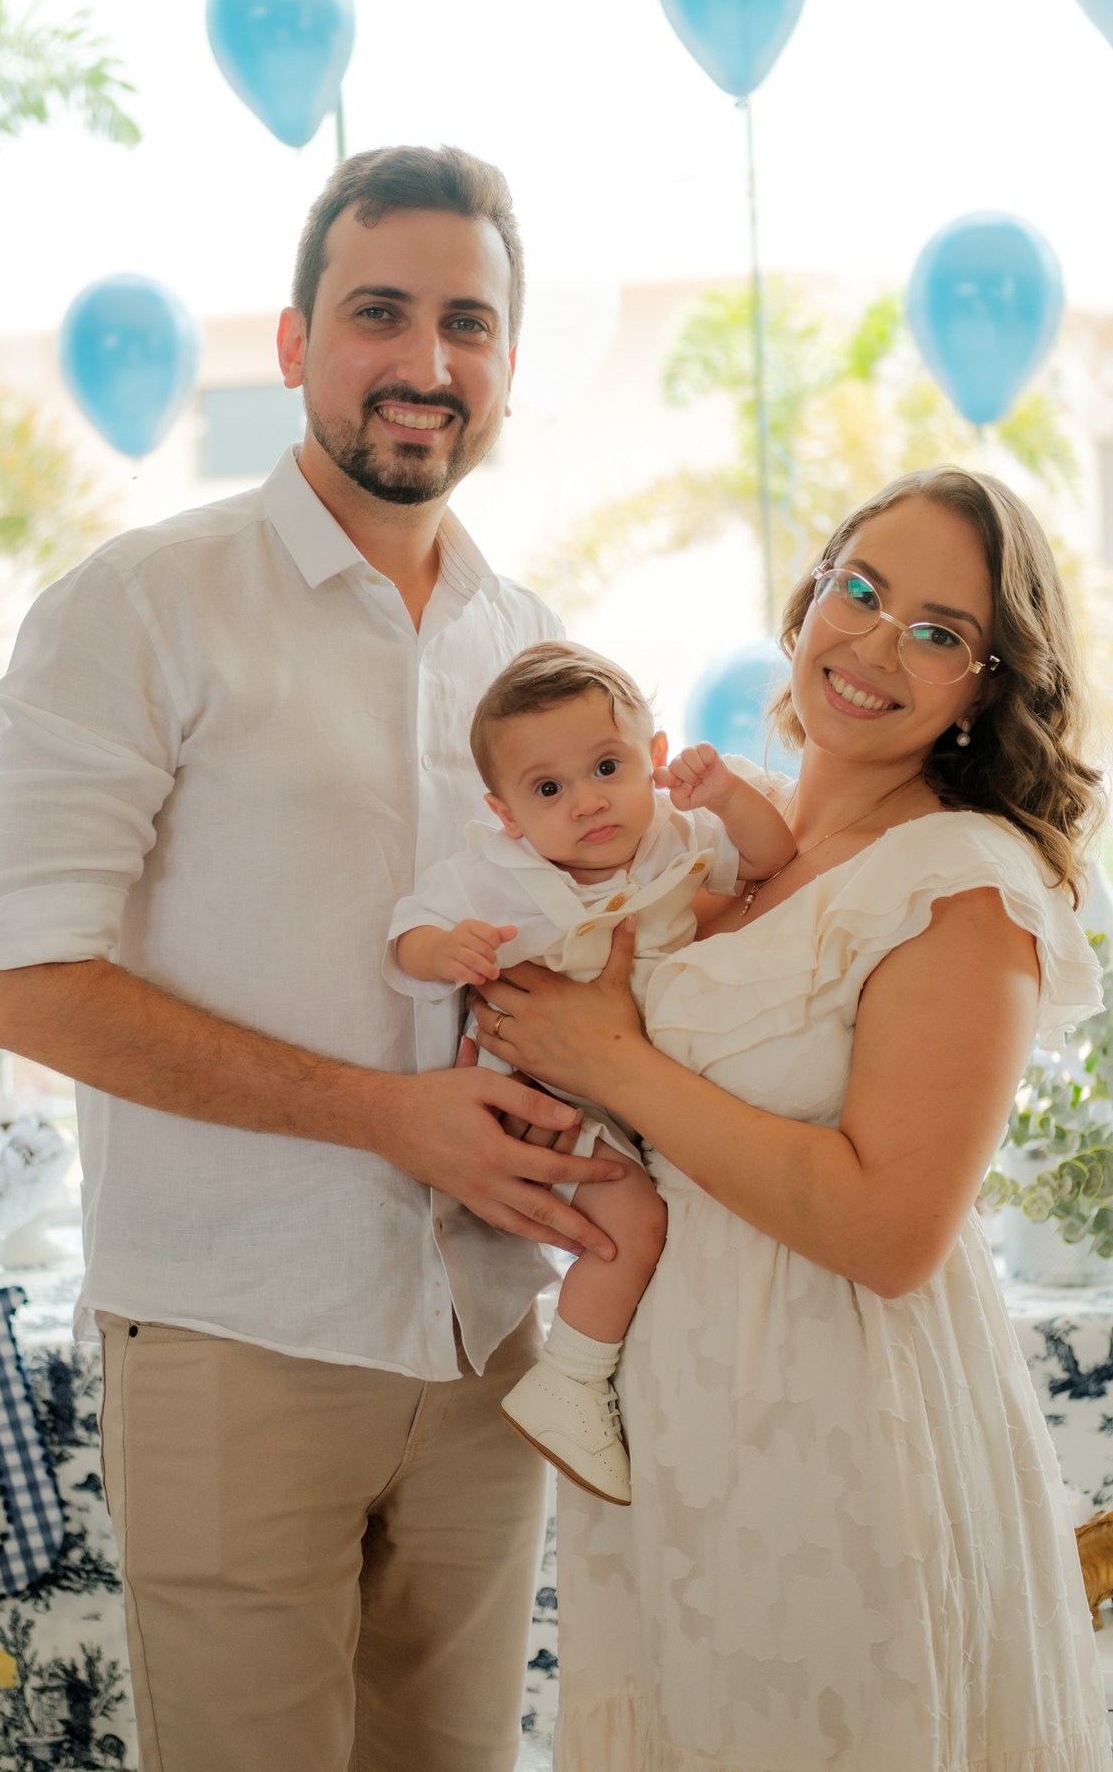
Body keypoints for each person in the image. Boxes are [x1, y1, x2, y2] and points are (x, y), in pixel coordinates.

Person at [0, 146, 627, 1772]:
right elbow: (19, 981)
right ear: (293, 340)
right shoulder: (139, 605)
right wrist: (388, 1118)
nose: (425, 360)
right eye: (379, 312)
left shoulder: (526, 642)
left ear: (507, 364)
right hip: (235, 1336)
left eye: (468, 323)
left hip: (490, 1336)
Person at [470, 467, 1112, 1770]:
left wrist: (613, 1062)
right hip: (679, 1416)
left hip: (837, 1429)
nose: (874, 645)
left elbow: (892, 1232)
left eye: (938, 632)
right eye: (859, 590)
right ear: (810, 592)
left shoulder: (961, 882)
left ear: (985, 688)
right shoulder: (708, 841)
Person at [388, 640, 795, 1505]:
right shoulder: (495, 875)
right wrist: (444, 949)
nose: (587, 801)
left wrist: (726, 794)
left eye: (607, 767)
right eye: (548, 790)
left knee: (671, 1215)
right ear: (505, 813)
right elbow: (406, 933)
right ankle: (571, 1379)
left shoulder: (679, 835)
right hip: (541, 1097)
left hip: (633, 1083)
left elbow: (768, 857)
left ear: (655, 758)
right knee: (633, 1224)